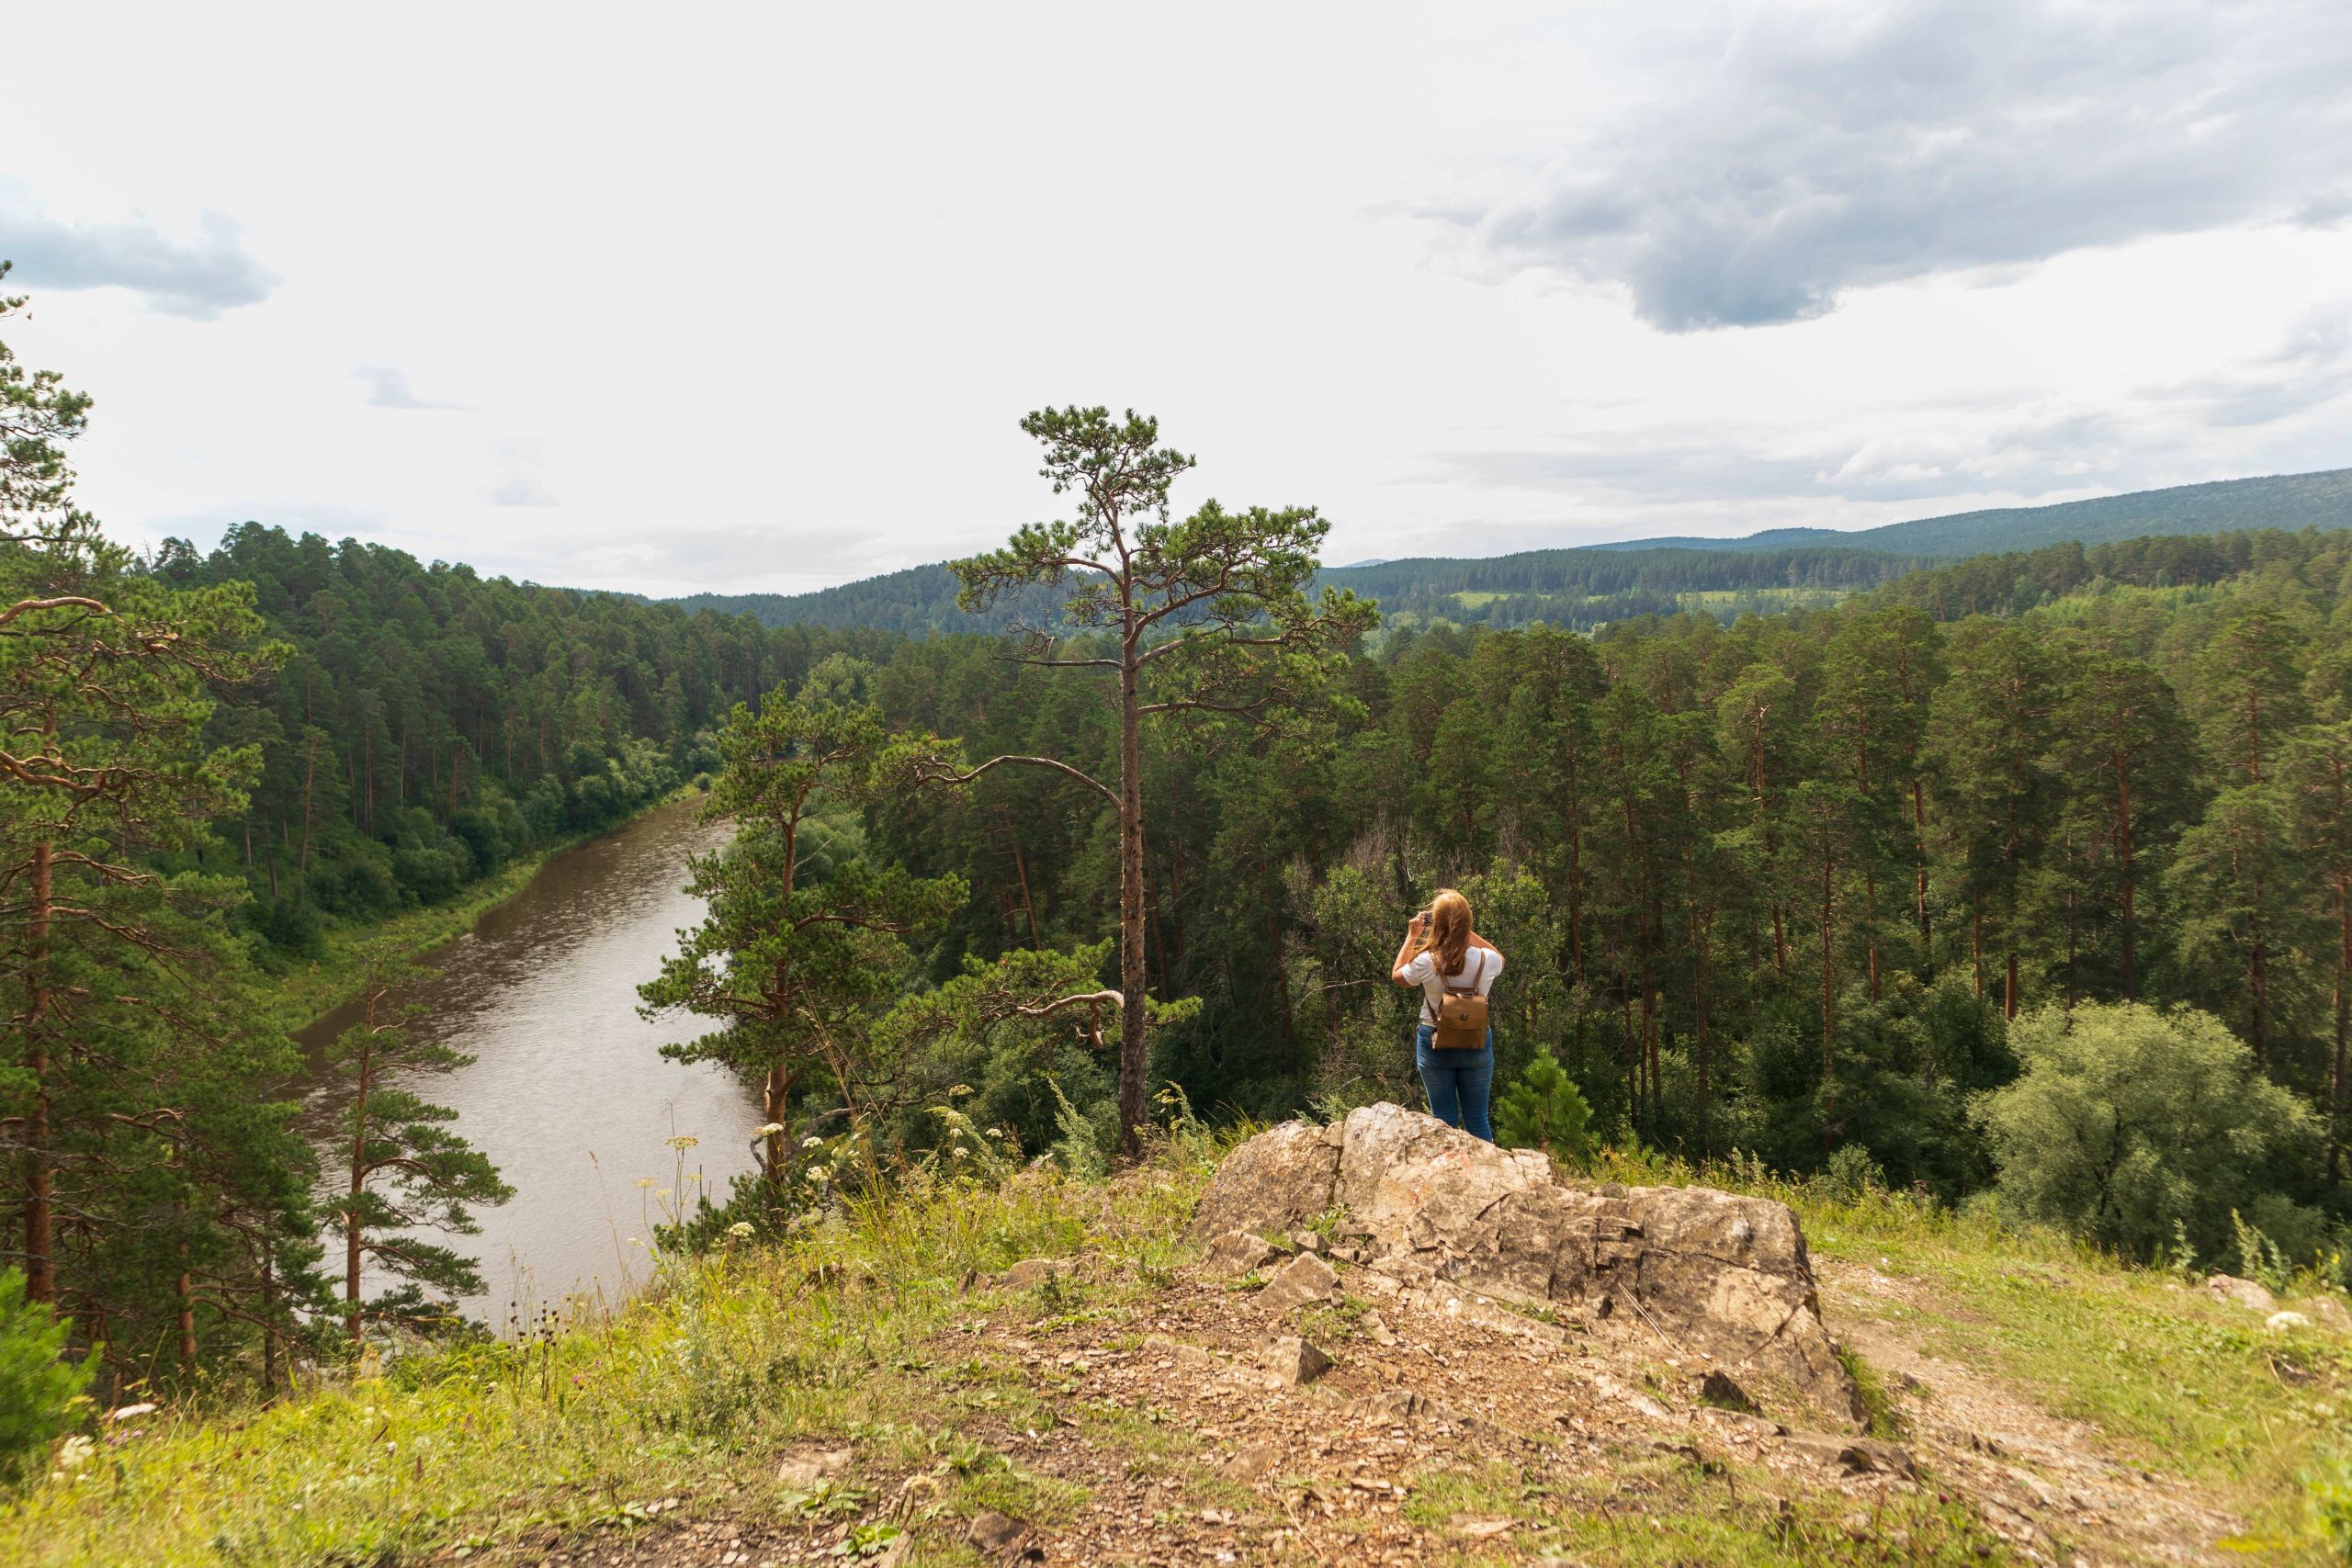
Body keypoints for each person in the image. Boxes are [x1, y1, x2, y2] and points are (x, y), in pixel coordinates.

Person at [1388, 887, 1503, 1141]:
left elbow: (1398, 976)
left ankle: (1448, 1166)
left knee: (1442, 1120)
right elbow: (1499, 956)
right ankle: (1485, 1165)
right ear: (1467, 922)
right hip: (1475, 1041)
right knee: (1478, 1118)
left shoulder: (1425, 961)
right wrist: (1462, 930)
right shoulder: (1488, 960)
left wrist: (1412, 936)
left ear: (1437, 923)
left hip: (1434, 1041)